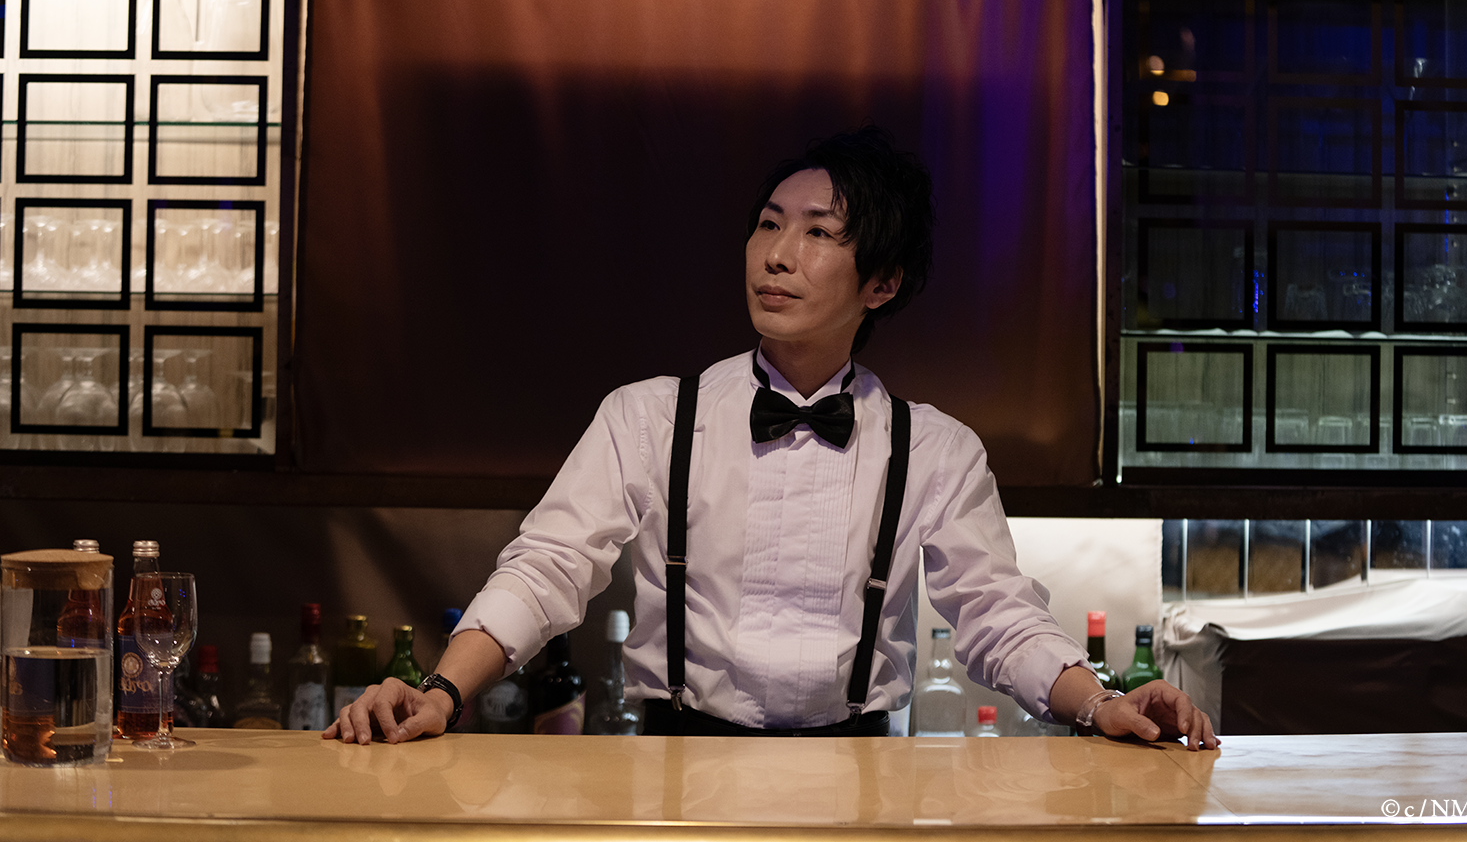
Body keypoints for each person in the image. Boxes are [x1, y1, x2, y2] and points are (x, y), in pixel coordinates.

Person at [327, 125, 1219, 749]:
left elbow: (995, 613)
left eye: (819, 233)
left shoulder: (935, 449)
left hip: (860, 778)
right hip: (672, 769)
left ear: (882, 284)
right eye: (767, 224)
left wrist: (1099, 703)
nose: (778, 254)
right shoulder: (649, 416)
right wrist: (443, 691)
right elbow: (548, 565)